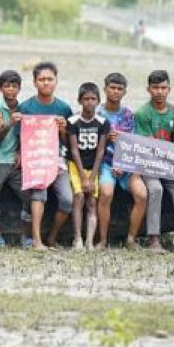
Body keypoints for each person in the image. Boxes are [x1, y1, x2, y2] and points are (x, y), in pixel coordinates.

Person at [134, 69, 174, 253]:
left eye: (163, 88)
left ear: (169, 89)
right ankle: (154, 239)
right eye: (155, 88)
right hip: (149, 164)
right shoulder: (143, 113)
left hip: (169, 165)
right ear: (148, 89)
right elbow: (148, 146)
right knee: (156, 189)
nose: (159, 92)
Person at [16, 61, 73, 251]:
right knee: (39, 193)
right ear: (34, 82)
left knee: (67, 200)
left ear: (56, 81)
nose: (46, 83)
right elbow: (20, 138)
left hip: (56, 160)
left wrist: (63, 129)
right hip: (35, 160)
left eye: (50, 79)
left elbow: (67, 143)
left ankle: (52, 237)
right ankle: (37, 240)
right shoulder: (25, 107)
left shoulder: (64, 109)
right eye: (42, 79)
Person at [95, 73, 148, 250]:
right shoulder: (97, 113)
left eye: (119, 89)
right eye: (112, 88)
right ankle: (102, 240)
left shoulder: (129, 115)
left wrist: (126, 165)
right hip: (106, 164)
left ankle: (131, 238)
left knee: (141, 195)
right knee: (107, 193)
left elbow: (136, 144)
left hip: (128, 165)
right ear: (105, 89)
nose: (115, 92)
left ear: (125, 92)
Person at [66, 82, 110, 250]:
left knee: (92, 200)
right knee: (79, 197)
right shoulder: (73, 121)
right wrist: (83, 177)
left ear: (98, 101)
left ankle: (90, 241)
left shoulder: (103, 122)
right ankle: (77, 238)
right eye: (86, 99)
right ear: (79, 100)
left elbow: (100, 151)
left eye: (93, 99)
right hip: (76, 166)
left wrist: (91, 177)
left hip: (94, 166)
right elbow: (74, 149)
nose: (89, 102)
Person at [0, 70, 28, 248]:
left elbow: (28, 135)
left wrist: (20, 151)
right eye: (7, 86)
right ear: (0, 88)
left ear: (19, 89)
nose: (11, 89)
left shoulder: (24, 109)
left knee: (29, 196)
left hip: (16, 160)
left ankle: (24, 235)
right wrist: (10, 122)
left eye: (14, 86)